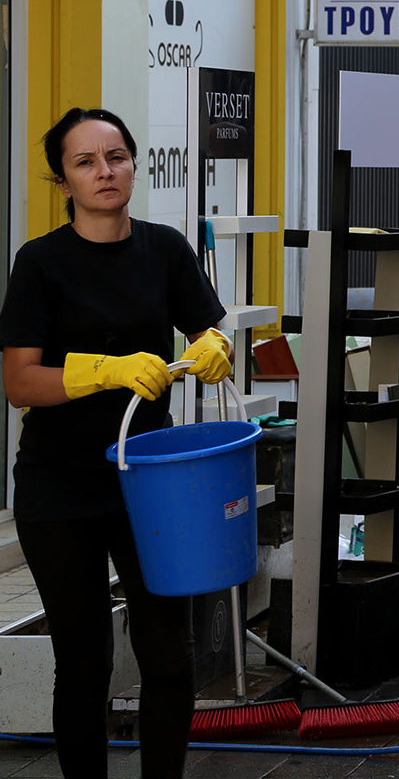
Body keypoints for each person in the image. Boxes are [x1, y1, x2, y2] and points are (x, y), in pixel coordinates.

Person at [0, 107, 233, 779]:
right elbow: (19, 381)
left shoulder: (164, 249)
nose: (106, 172)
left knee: (168, 651)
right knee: (84, 656)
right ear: (62, 181)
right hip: (59, 484)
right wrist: (102, 369)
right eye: (86, 162)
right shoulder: (41, 263)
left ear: (134, 163)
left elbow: (207, 329)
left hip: (149, 483)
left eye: (117, 156)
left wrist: (214, 344)